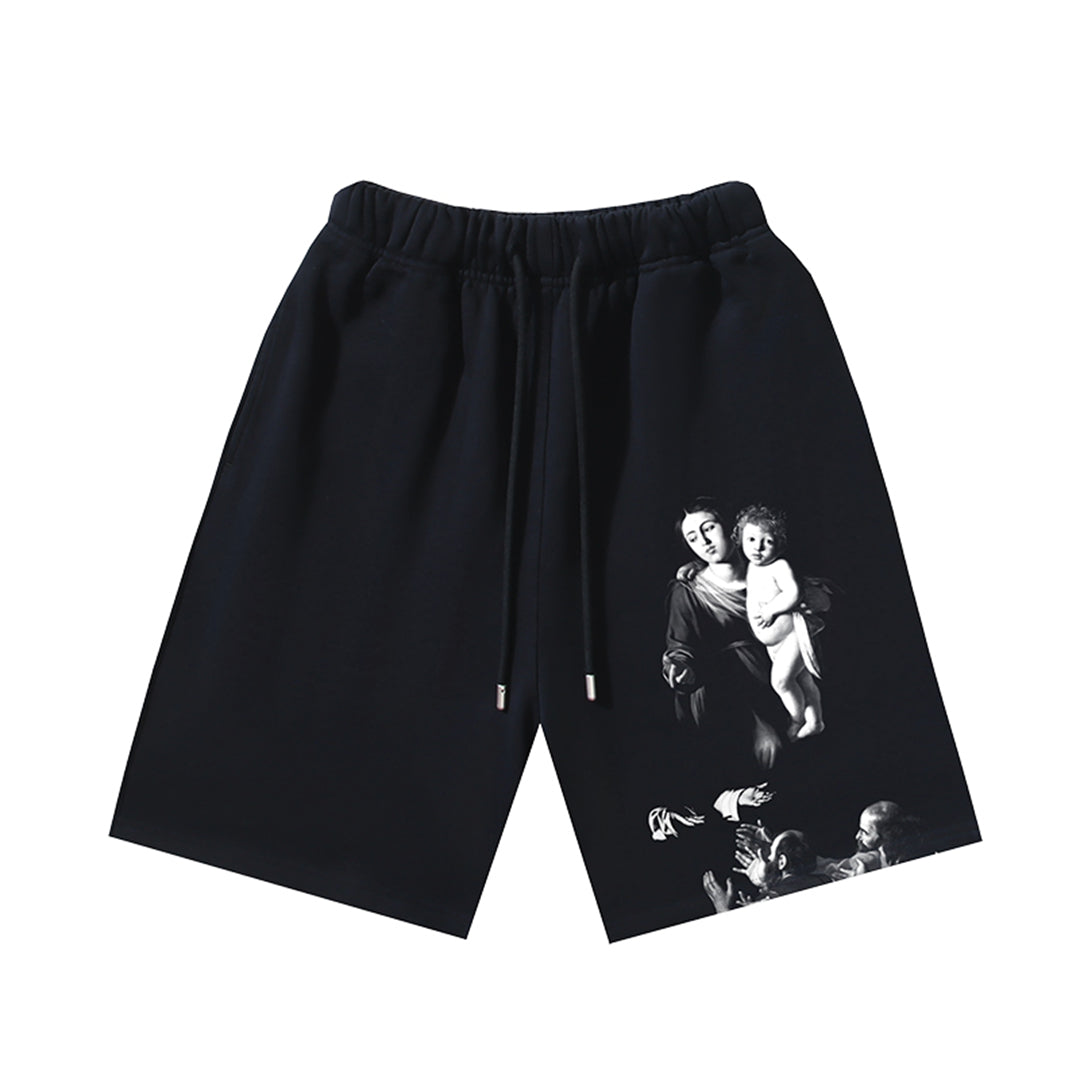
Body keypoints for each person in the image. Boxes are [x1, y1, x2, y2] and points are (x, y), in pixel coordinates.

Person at [662, 498, 787, 773]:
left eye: (709, 528)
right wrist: (680, 668)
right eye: (692, 537)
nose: (704, 541)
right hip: (729, 693)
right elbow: (681, 647)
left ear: (732, 527)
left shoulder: (770, 572)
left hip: (781, 677)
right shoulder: (689, 591)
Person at [735, 504, 825, 740]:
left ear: (779, 544)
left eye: (768, 541)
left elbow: (793, 593)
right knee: (802, 680)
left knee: (781, 682)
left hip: (793, 635)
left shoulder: (780, 566)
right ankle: (815, 721)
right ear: (740, 539)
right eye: (751, 539)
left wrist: (770, 611)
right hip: (774, 644)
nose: (758, 547)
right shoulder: (751, 567)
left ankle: (796, 719)